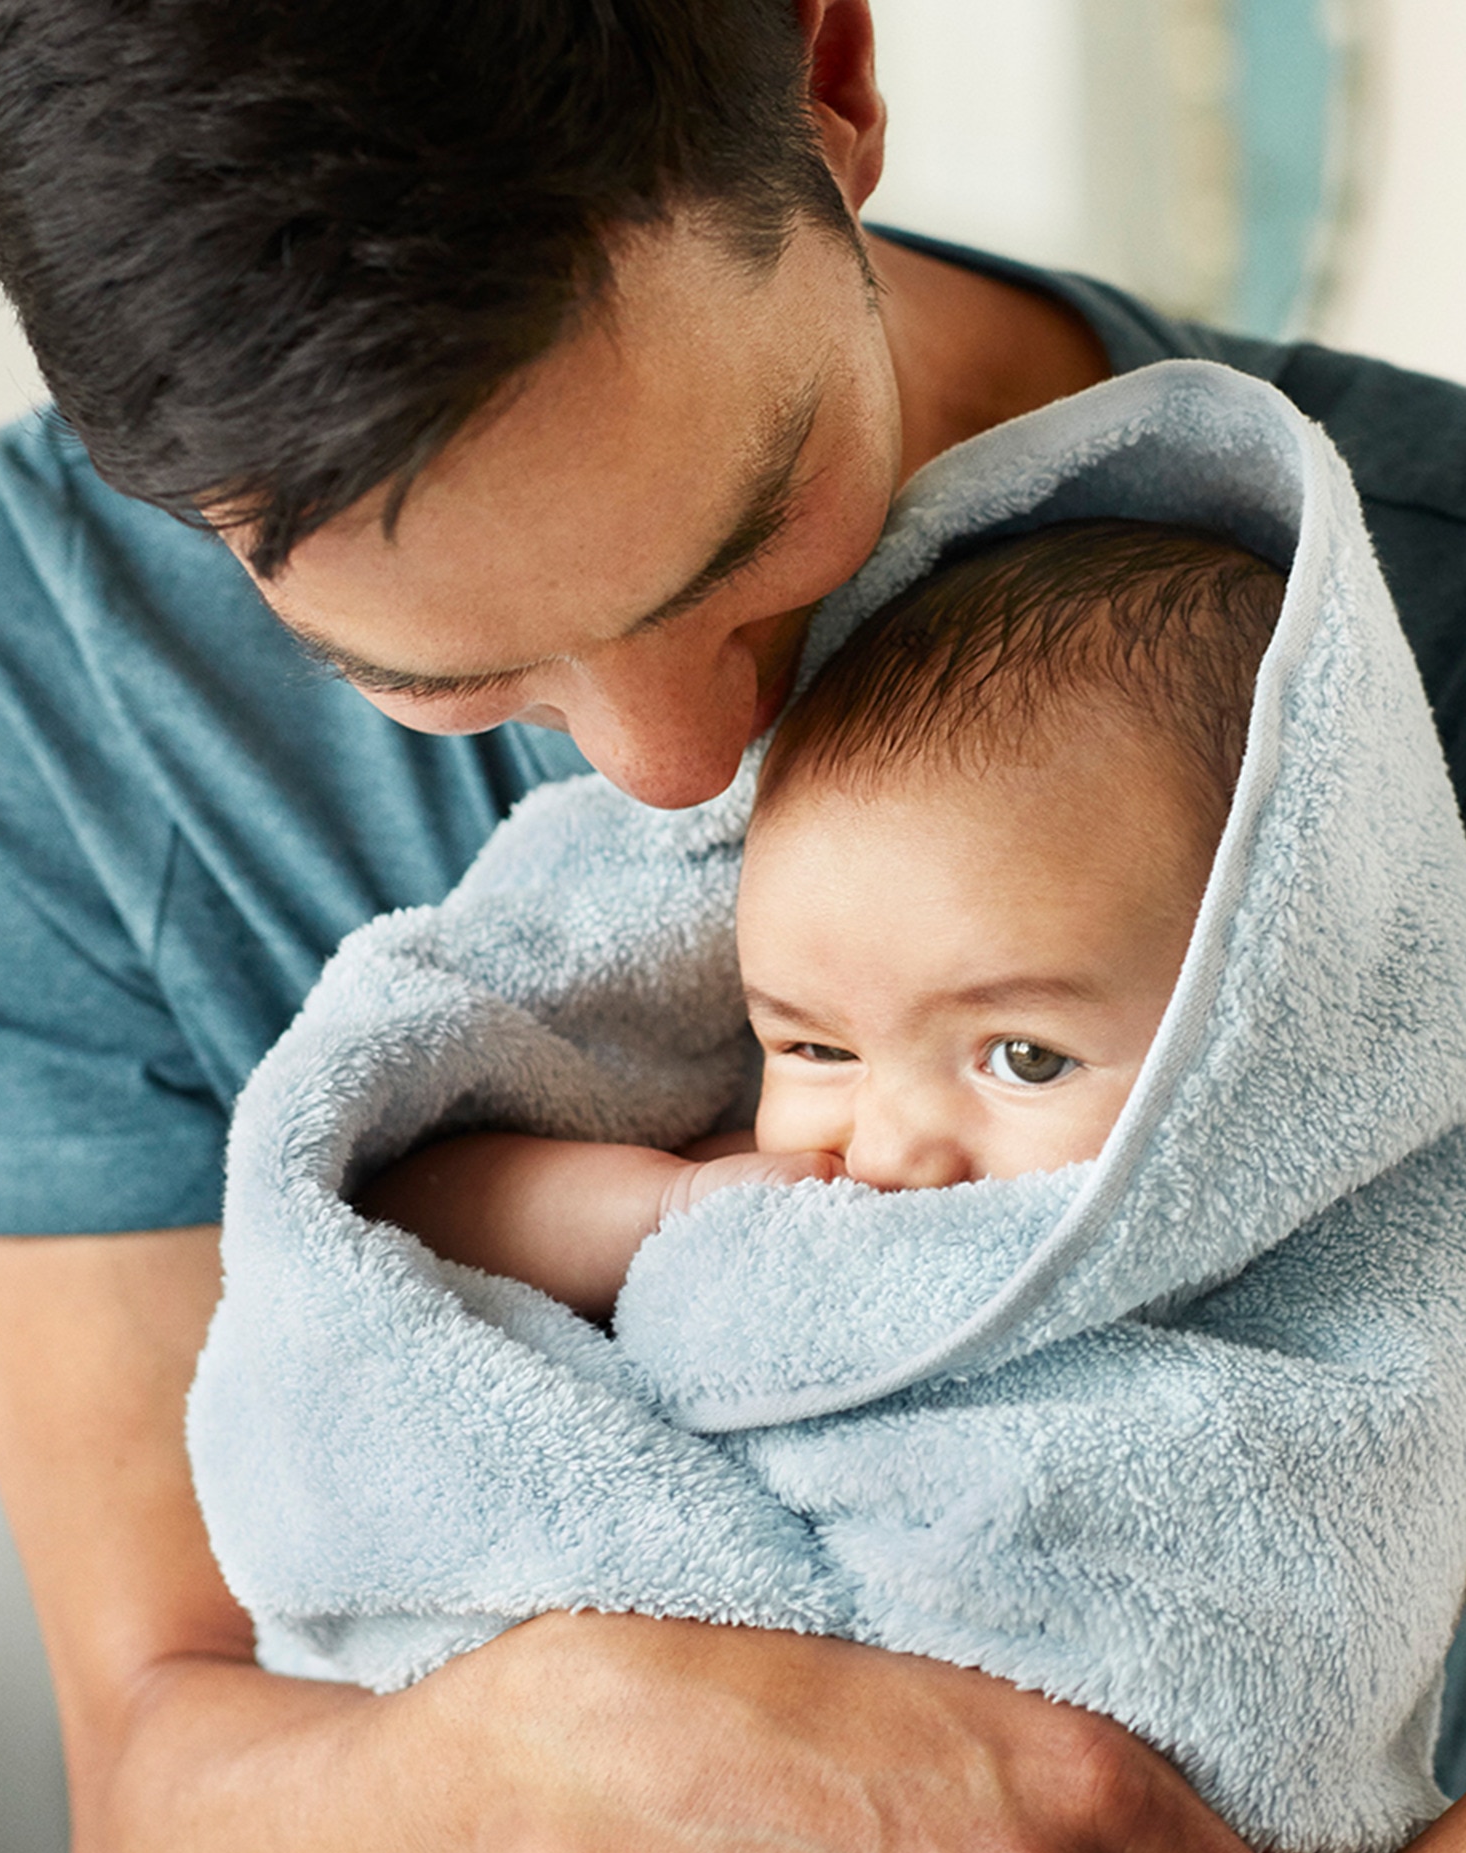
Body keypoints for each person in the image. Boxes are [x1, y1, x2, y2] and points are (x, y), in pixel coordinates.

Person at [0, 3, 1466, 1853]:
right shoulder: (46, 656)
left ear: (831, 73)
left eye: (758, 522)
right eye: (444, 679)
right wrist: (602, 1751)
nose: (678, 771)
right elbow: (164, 1848)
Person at [363, 517, 1285, 1310]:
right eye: (818, 1051)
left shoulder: (1300, 1270)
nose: (888, 1153)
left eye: (1026, 1059)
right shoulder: (766, 1194)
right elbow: (406, 1223)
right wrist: (663, 1211)